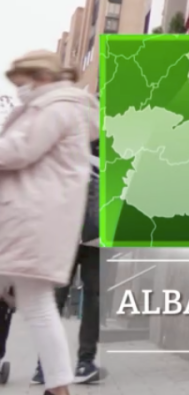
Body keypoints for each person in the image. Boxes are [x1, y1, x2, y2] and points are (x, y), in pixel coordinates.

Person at [0, 50, 97, 395]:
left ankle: (59, 388)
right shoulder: (60, 106)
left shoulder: (56, 108)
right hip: (33, 219)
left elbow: (19, 150)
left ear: (40, 77)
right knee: (38, 307)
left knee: (39, 307)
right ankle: (58, 387)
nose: (19, 91)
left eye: (22, 84)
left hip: (32, 220)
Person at [32, 131, 103, 386]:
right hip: (63, 234)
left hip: (97, 236)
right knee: (55, 300)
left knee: (94, 299)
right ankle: (46, 365)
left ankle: (85, 361)